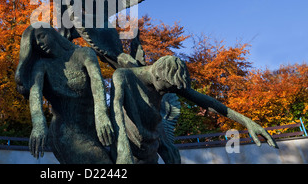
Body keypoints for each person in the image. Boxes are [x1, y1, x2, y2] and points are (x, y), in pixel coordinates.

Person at [110, 55, 278, 164]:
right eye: (166, 89)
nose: (167, 92)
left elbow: (209, 102)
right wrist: (122, 148)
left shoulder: (167, 82)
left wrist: (247, 122)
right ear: (157, 76)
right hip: (128, 149)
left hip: (150, 147)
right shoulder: (124, 76)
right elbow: (115, 108)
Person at [15, 23, 114, 163]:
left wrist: (102, 114)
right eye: (35, 43)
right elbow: (35, 93)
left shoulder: (84, 54)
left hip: (93, 128)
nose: (39, 43)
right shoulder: (42, 66)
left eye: (41, 36)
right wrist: (38, 123)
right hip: (65, 133)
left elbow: (97, 83)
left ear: (52, 33)